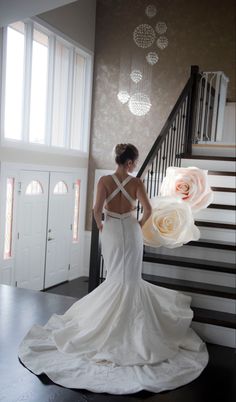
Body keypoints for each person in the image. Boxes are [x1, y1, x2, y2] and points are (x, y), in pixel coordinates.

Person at [18, 143, 208, 395]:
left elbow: (96, 210)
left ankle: (107, 325)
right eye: (135, 162)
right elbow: (148, 210)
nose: (135, 166)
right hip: (131, 229)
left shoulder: (104, 181)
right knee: (130, 279)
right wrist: (137, 227)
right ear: (129, 163)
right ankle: (130, 327)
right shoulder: (137, 183)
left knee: (115, 277)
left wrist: (103, 227)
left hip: (112, 232)